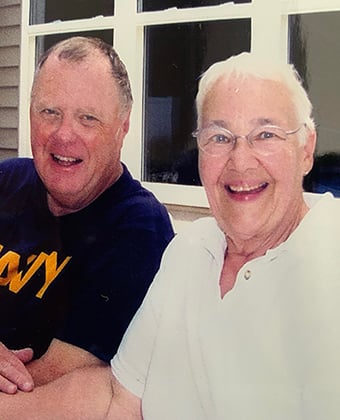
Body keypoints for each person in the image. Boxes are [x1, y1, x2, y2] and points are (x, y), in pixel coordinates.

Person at [1, 51, 340, 419]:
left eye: (266, 134)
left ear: (306, 148)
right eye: (220, 137)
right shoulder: (191, 251)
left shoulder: (328, 260)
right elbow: (119, 396)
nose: (241, 160)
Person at [0, 36, 174, 398]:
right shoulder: (7, 180)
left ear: (122, 128)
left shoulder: (138, 228)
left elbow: (45, 382)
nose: (64, 135)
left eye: (88, 118)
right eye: (50, 112)